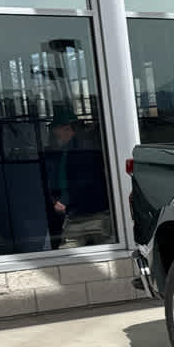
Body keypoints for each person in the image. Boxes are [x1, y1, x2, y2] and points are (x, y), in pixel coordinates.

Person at [46, 105, 111, 248]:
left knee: (68, 253)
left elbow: (84, 179)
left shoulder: (82, 149)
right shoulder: (69, 149)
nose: (54, 135)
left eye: (56, 132)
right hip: (83, 213)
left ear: (67, 129)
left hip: (89, 214)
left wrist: (64, 200)